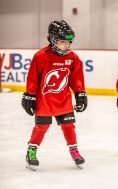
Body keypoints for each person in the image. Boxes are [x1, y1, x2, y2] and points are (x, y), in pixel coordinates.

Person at [21, 20, 88, 170]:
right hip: (44, 100)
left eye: (67, 42)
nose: (65, 46)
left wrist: (80, 94)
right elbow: (33, 78)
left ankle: (74, 150)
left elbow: (76, 78)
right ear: (52, 40)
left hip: (63, 100)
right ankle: (31, 151)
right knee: (41, 127)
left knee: (69, 126)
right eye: (61, 42)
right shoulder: (40, 56)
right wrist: (29, 95)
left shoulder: (73, 57)